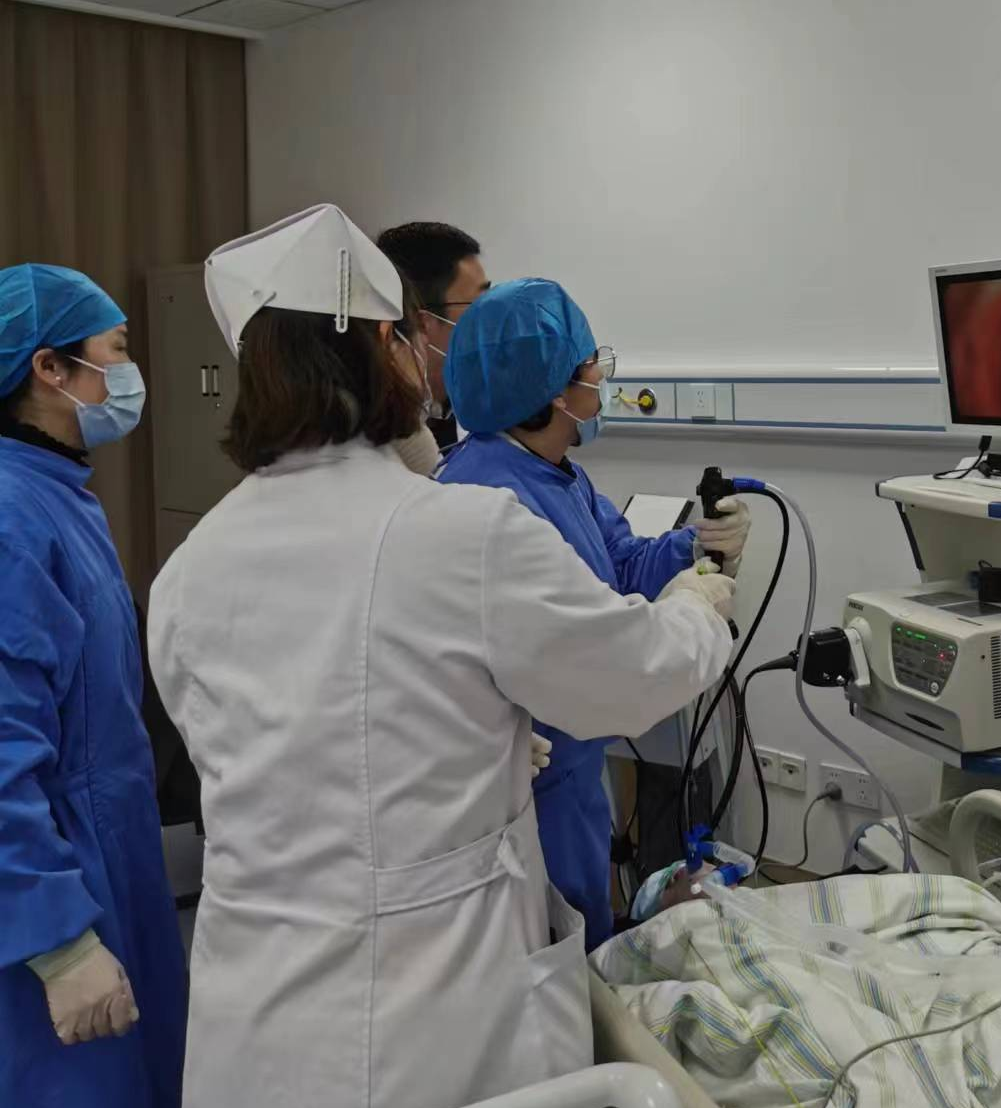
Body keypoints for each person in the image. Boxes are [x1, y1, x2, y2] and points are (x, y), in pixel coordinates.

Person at [147, 204, 735, 1108]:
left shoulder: (189, 570)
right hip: (422, 1005)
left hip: (252, 1006)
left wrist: (460, 736)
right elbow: (636, 677)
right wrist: (697, 604)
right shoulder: (459, 532)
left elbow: (295, 750)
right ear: (386, 349)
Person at [438, 278, 752, 950]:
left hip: (573, 771)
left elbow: (620, 565)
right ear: (555, 391)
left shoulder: (555, 473)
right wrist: (694, 611)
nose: (603, 379)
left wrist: (697, 544)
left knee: (581, 947)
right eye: (592, 366)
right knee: (544, 959)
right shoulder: (485, 498)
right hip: (522, 786)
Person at [0, 265, 186, 1107]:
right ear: (49, 368)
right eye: (116, 350)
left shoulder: (56, 494)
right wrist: (59, 941)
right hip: (53, 893)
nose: (128, 371)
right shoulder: (12, 517)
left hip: (110, 859)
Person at [376, 220, 490, 448]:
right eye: (479, 304)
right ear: (421, 322)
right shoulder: (369, 440)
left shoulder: (482, 418)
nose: (492, 319)